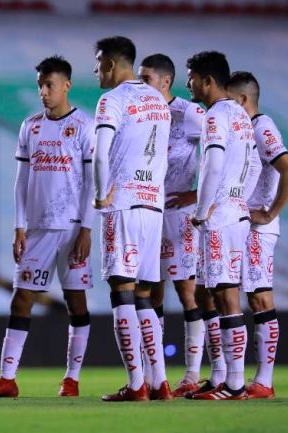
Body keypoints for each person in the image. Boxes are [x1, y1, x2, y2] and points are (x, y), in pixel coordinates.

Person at [0, 56, 95, 399]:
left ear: (66, 85)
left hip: (72, 229)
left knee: (77, 303)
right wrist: (19, 227)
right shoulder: (31, 126)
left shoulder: (84, 126)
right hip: (38, 230)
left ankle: (71, 379)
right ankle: (7, 379)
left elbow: (90, 182)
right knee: (21, 300)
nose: (43, 91)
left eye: (49, 85)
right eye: (40, 85)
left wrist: (86, 228)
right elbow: (21, 180)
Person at [91, 36, 171, 402]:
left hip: (122, 203)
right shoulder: (157, 99)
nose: (95, 71)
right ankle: (160, 382)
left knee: (121, 290)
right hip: (153, 205)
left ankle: (137, 384)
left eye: (97, 63)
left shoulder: (112, 100)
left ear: (110, 63)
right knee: (144, 295)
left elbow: (102, 151)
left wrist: (100, 193)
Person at [185, 51, 260, 400]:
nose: (189, 84)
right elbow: (256, 167)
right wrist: (237, 195)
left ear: (207, 81)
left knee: (227, 297)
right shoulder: (241, 116)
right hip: (236, 213)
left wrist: (202, 210)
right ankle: (220, 377)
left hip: (219, 219)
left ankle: (233, 383)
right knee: (207, 292)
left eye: (192, 77)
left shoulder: (215, 115)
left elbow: (213, 163)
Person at [137, 54, 207, 397]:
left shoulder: (189, 114)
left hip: (181, 213)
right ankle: (154, 375)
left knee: (186, 290)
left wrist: (197, 192)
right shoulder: (142, 114)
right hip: (148, 210)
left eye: (146, 78)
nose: (141, 85)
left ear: (165, 81)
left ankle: (192, 374)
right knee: (152, 290)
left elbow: (223, 150)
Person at [226, 71, 288, 399]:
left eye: (230, 100)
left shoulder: (262, 128)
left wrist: (269, 213)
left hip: (258, 227)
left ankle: (264, 382)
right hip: (243, 223)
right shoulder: (243, 130)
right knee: (239, 295)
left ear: (242, 100)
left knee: (259, 297)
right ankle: (233, 379)